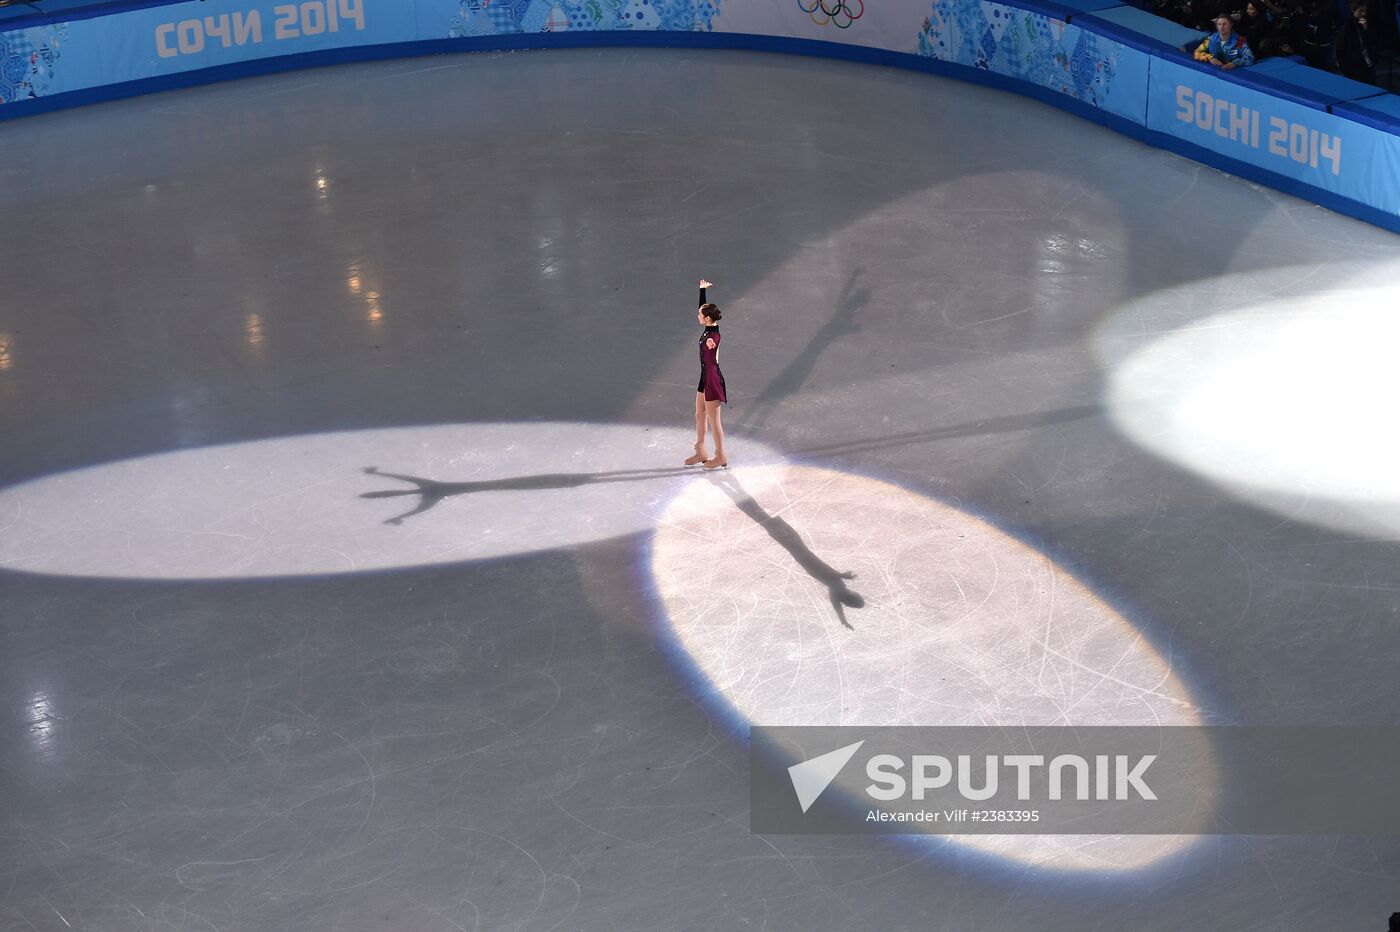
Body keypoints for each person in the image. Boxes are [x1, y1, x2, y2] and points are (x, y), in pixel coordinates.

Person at [685, 278, 729, 470]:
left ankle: (720, 455)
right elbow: (702, 307)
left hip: (712, 380)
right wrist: (702, 291)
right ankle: (700, 450)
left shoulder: (714, 335)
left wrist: (712, 346)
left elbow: (714, 343)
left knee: (713, 419)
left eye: (700, 315)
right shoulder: (709, 327)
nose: (698, 316)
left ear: (707, 319)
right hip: (704, 378)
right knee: (699, 414)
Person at [1335, 0, 1376, 83]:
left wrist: (1366, 30)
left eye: (1365, 11)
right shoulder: (1347, 29)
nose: (1363, 14)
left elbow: (1371, 42)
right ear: (1353, 11)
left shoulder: (1365, 23)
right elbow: (1340, 50)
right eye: (1360, 11)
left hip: (1367, 63)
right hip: (1355, 68)